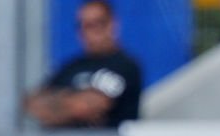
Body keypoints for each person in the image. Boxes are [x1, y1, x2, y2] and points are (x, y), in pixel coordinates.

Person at [24, 0, 142, 129]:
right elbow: (33, 104)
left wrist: (56, 102)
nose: (90, 31)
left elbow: (88, 106)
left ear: (112, 24)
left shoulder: (126, 66)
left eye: (97, 23)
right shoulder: (72, 66)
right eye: (83, 25)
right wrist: (72, 101)